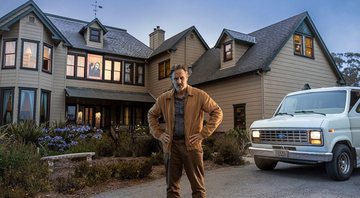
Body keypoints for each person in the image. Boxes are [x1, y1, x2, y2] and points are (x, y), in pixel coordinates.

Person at [148, 64, 223, 198]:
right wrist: (159, 134)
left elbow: (217, 112)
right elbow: (151, 114)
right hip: (172, 147)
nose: (179, 82)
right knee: (172, 188)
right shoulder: (164, 98)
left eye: (181, 78)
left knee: (198, 188)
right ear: (171, 80)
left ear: (187, 77)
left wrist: (203, 134)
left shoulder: (199, 95)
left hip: (192, 146)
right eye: (175, 79)